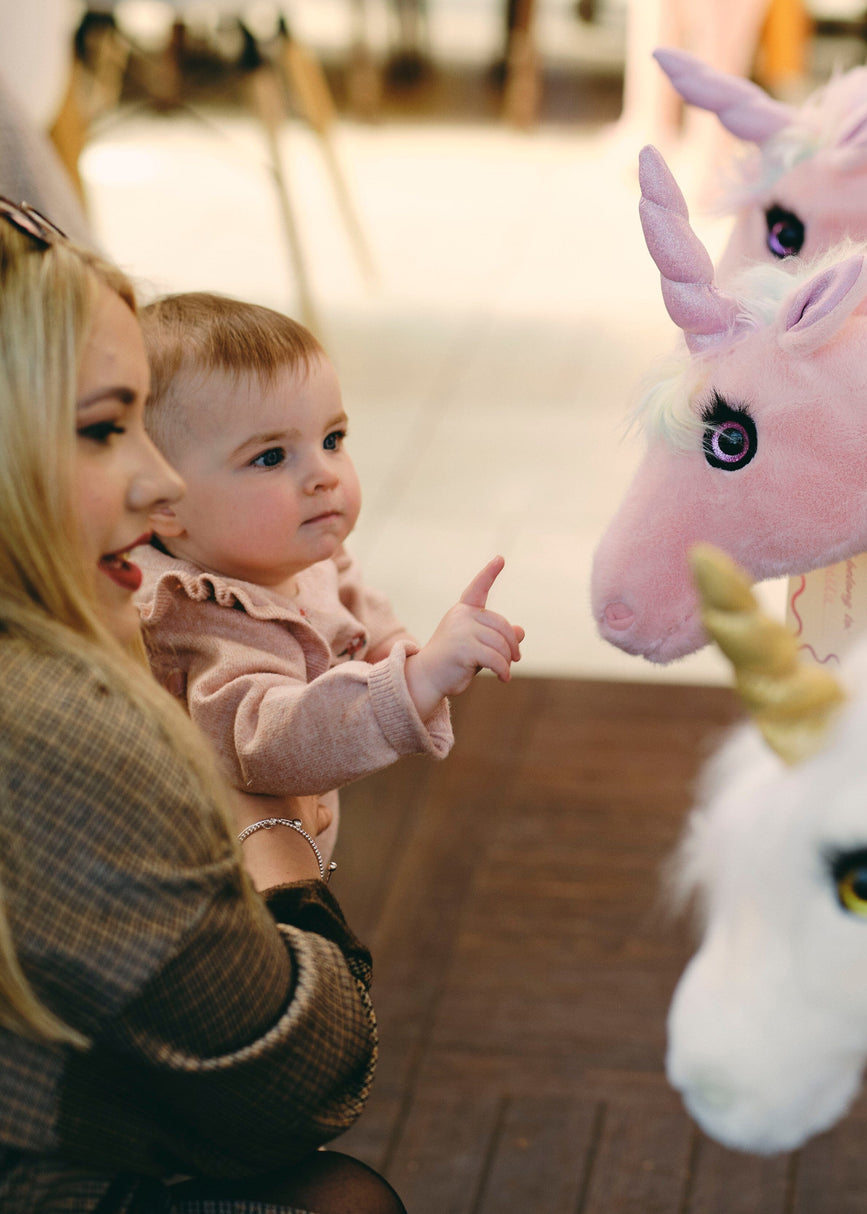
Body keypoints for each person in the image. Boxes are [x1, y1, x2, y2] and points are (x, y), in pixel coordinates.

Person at [0, 197, 404, 1213]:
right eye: (102, 429)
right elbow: (302, 1075)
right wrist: (264, 829)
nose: (158, 482)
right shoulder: (61, 724)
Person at [132, 292, 525, 864]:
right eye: (270, 457)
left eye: (332, 440)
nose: (323, 474)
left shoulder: (299, 553)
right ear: (163, 502)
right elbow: (271, 743)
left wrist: (401, 650)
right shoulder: (195, 618)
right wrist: (413, 682)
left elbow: (355, 604)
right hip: (237, 906)